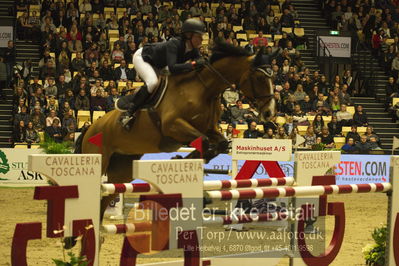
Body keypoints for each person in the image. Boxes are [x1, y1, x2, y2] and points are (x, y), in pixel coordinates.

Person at [116, 19, 207, 129]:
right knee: (152, 83)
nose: (202, 39)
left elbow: (200, 62)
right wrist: (193, 64)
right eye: (199, 36)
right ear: (189, 35)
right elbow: (173, 68)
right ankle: (128, 113)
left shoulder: (193, 49)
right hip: (143, 58)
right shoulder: (174, 43)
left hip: (159, 65)